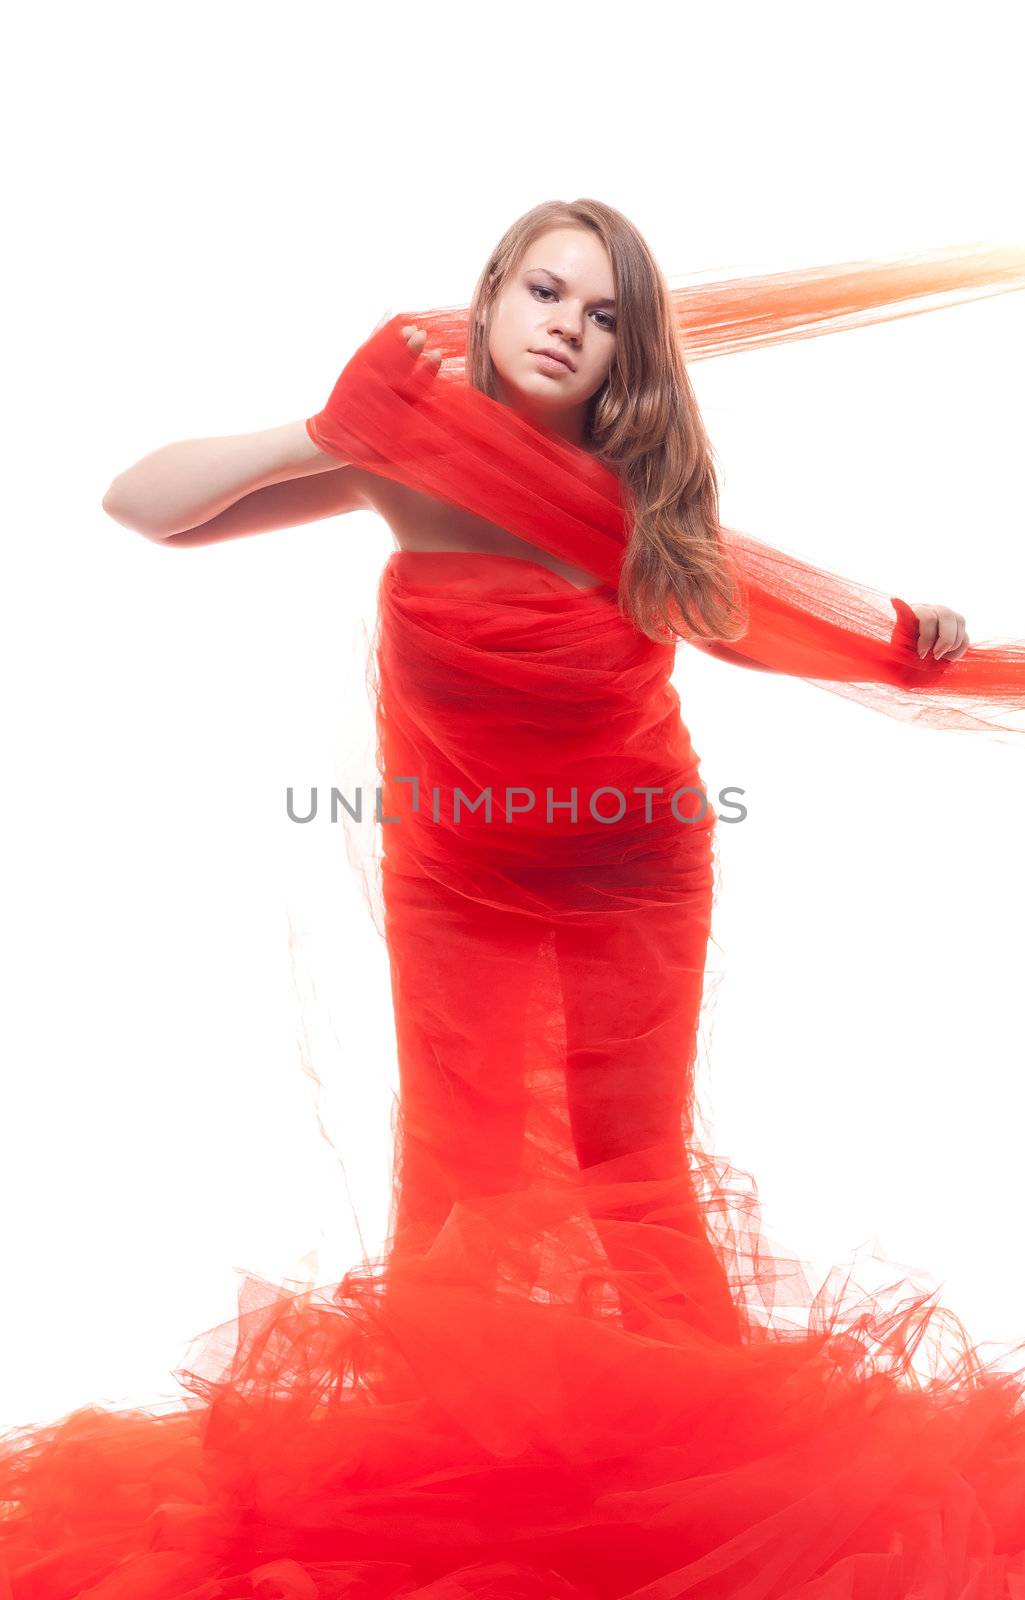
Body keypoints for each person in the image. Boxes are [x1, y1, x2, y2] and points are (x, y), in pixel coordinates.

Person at [5, 199, 1025, 1599]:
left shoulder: (630, 497)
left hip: (632, 861)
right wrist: (342, 429)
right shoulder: (403, 464)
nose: (569, 327)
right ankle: (457, 1491)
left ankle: (724, 1499)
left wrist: (914, 636)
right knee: (458, 1183)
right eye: (546, 293)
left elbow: (765, 616)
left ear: (627, 355)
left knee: (634, 1178)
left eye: (605, 316)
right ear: (482, 304)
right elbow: (142, 506)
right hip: (458, 874)